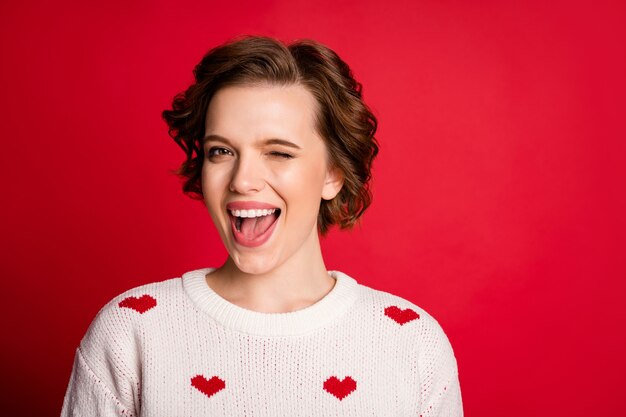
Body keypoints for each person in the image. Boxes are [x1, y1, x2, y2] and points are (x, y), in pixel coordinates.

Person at [60, 35, 463, 416]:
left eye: (278, 153)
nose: (242, 180)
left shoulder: (411, 344)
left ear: (333, 174)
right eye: (221, 151)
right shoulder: (132, 331)